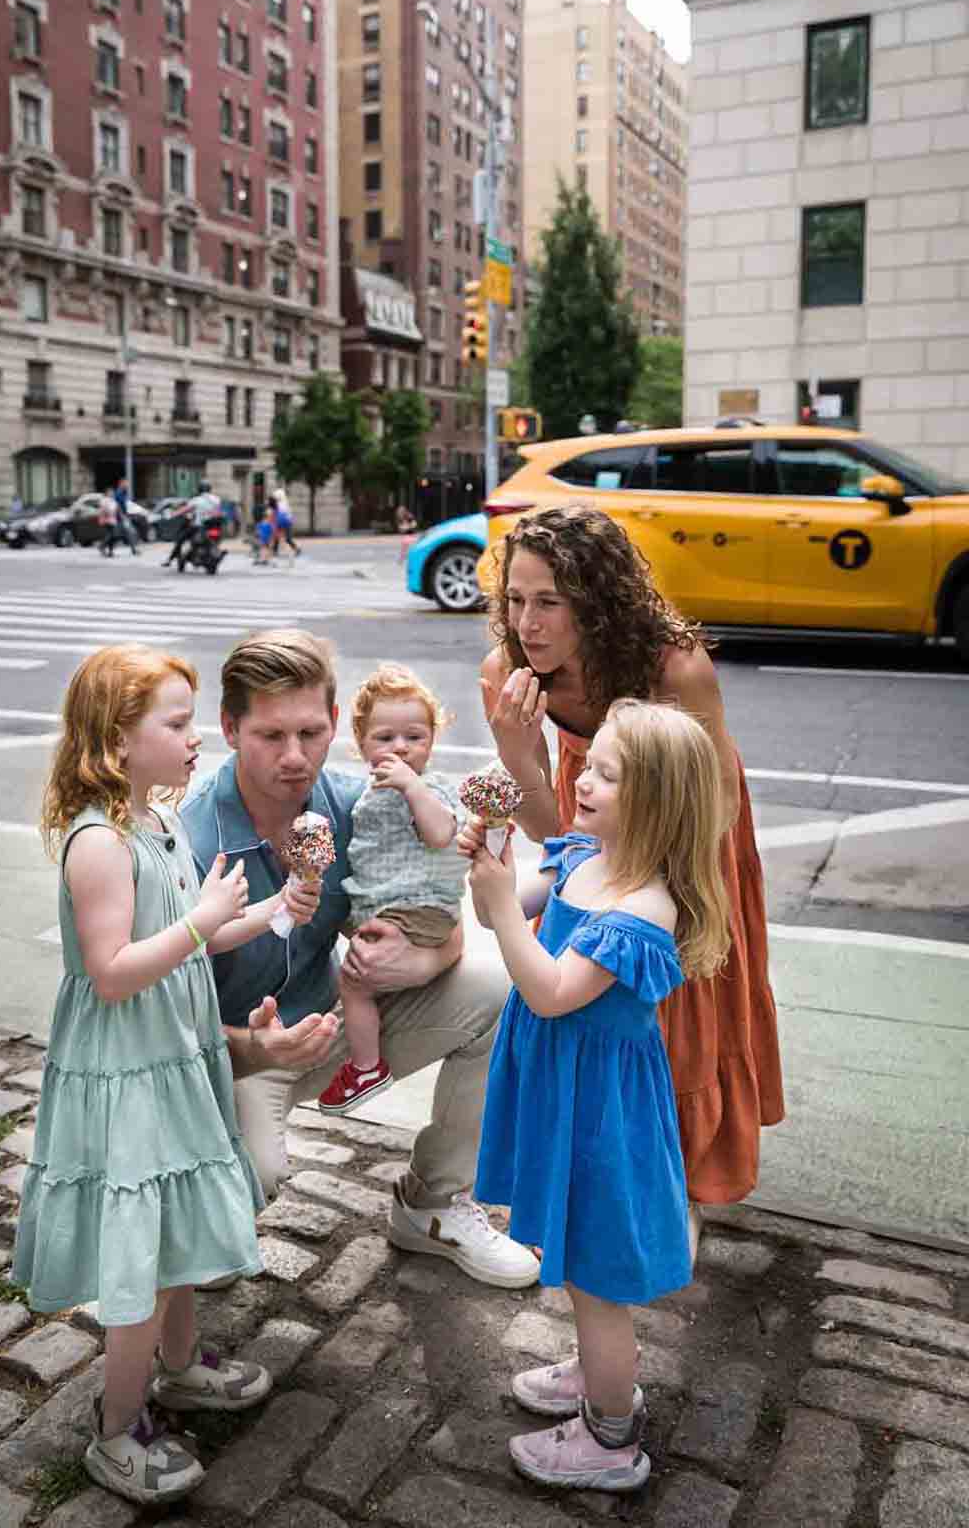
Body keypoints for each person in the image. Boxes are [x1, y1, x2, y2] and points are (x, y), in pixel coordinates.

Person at [12, 644, 322, 1505]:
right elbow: (113, 969)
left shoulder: (156, 821)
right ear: (117, 738)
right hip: (127, 1068)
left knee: (176, 1223)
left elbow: (192, 928)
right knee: (140, 1254)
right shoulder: (99, 842)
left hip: (174, 1055)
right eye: (177, 723)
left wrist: (264, 910)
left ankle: (180, 1367)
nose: (195, 740)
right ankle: (117, 1430)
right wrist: (203, 923)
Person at [182, 629, 540, 1289]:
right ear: (230, 728)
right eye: (270, 736)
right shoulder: (193, 840)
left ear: (335, 724)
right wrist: (256, 1049)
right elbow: (160, 1028)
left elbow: (431, 908)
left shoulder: (355, 804)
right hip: (225, 1058)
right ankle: (202, 1205)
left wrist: (428, 962)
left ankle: (432, 1205)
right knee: (240, 1206)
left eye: (311, 733)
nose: (296, 757)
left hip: (333, 1024)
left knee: (498, 987)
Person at [479, 505, 784, 1246]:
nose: (528, 623)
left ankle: (678, 1177)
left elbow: (710, 810)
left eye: (551, 601)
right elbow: (558, 840)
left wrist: (640, 879)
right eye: (516, 600)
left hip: (686, 817)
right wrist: (519, 755)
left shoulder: (674, 667)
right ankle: (606, 1167)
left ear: (598, 598)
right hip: (591, 803)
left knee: (684, 996)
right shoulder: (508, 672)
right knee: (599, 993)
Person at [463, 698, 730, 1494]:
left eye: (608, 774)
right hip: (566, 1091)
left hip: (600, 1113)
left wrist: (506, 907)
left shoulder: (643, 909)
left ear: (654, 802)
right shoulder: (586, 858)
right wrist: (494, 865)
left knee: (596, 1276)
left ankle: (612, 1437)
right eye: (592, 762)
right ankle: (593, 1372)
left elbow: (547, 989)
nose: (584, 781)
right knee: (580, 1259)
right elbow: (502, 912)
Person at [318, 664, 465, 1115]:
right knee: (358, 960)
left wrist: (413, 788)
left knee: (354, 981)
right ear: (361, 742)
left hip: (418, 905)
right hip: (388, 902)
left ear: (432, 741)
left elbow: (442, 834)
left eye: (414, 737)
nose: (400, 747)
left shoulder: (432, 789)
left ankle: (366, 1067)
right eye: (385, 738)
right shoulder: (365, 791)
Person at [113, 476, 140, 555]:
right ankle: (103, 546)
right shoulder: (118, 493)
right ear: (121, 483)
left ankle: (134, 550)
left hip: (123, 517)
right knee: (129, 532)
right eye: (125, 483)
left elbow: (126, 504)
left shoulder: (123, 492)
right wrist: (122, 515)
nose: (127, 485)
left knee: (129, 533)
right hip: (121, 517)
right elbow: (118, 505)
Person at [271, 486, 300, 558]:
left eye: (276, 496)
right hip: (283, 522)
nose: (275, 498)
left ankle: (296, 549)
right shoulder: (282, 503)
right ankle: (275, 550)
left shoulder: (282, 504)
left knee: (287, 538)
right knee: (277, 536)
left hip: (285, 522)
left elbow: (281, 514)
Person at [97, 488, 120, 558]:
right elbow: (103, 510)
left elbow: (116, 510)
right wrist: (109, 511)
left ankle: (110, 551)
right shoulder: (104, 500)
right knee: (111, 535)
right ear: (107, 493)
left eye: (112, 492)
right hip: (106, 520)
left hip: (113, 520)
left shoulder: (113, 501)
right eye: (110, 492)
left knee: (113, 536)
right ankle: (102, 546)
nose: (112, 494)